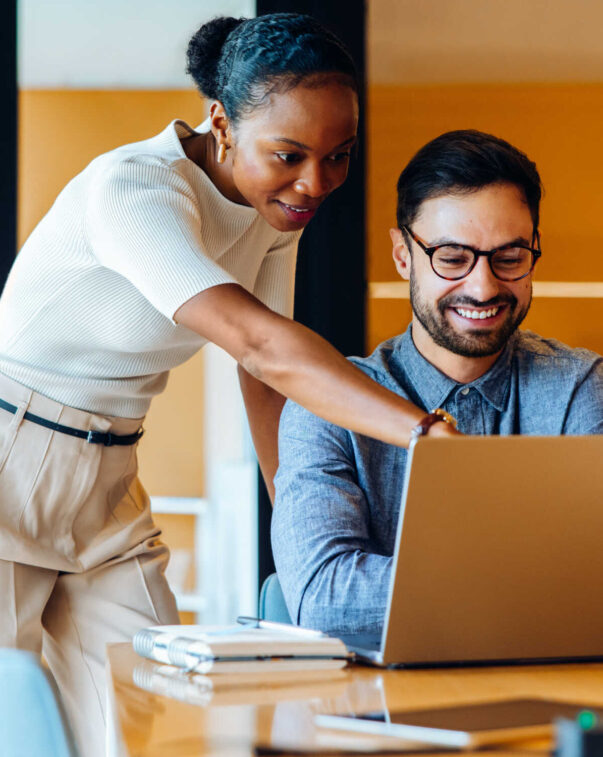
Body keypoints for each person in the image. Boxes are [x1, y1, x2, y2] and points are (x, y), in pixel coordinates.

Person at [0, 13, 454, 755]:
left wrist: (299, 529)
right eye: (289, 153)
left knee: (144, 722)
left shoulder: (274, 212)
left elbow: (264, 380)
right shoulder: (133, 190)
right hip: (10, 456)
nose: (315, 183)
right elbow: (258, 341)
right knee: (12, 716)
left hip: (110, 476)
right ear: (221, 122)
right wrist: (421, 431)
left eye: (338, 156)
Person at [272, 129, 603, 636]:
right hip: (376, 711)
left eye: (510, 258)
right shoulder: (324, 406)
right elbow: (324, 599)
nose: (483, 286)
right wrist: (538, 582)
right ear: (403, 256)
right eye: (452, 258)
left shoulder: (580, 388)